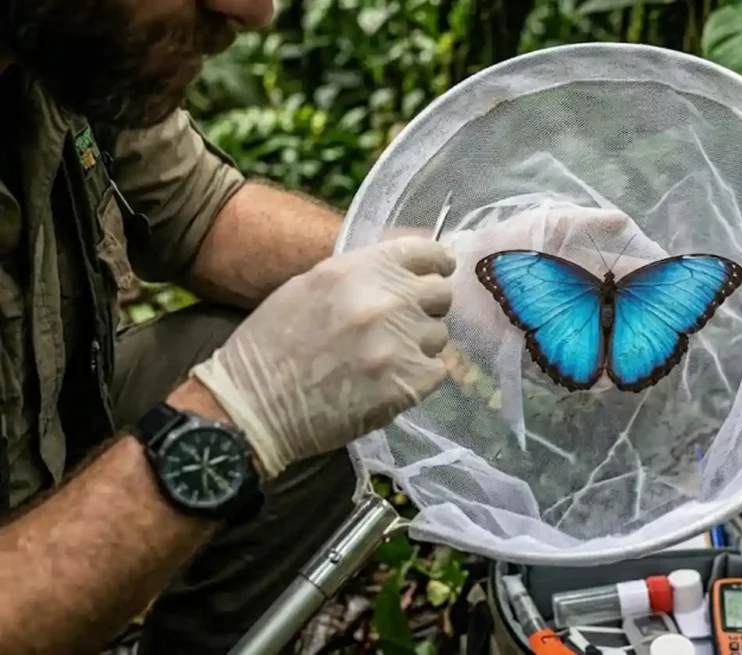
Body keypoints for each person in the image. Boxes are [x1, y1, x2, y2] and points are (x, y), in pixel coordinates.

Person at [0, 1, 454, 652]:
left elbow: (200, 214)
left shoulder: (58, 48)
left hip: (45, 440)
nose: (255, 12)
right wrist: (228, 421)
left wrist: (461, 270)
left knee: (336, 360)